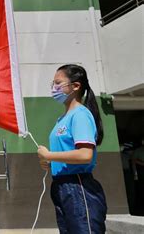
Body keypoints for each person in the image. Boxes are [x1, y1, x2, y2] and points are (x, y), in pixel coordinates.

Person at [37, 64, 107, 233]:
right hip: (62, 187)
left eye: (58, 83)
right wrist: (49, 162)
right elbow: (65, 152)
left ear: (76, 86)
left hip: (78, 187)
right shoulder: (62, 118)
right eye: (52, 84)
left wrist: (50, 155)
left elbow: (85, 154)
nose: (54, 88)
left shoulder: (80, 115)